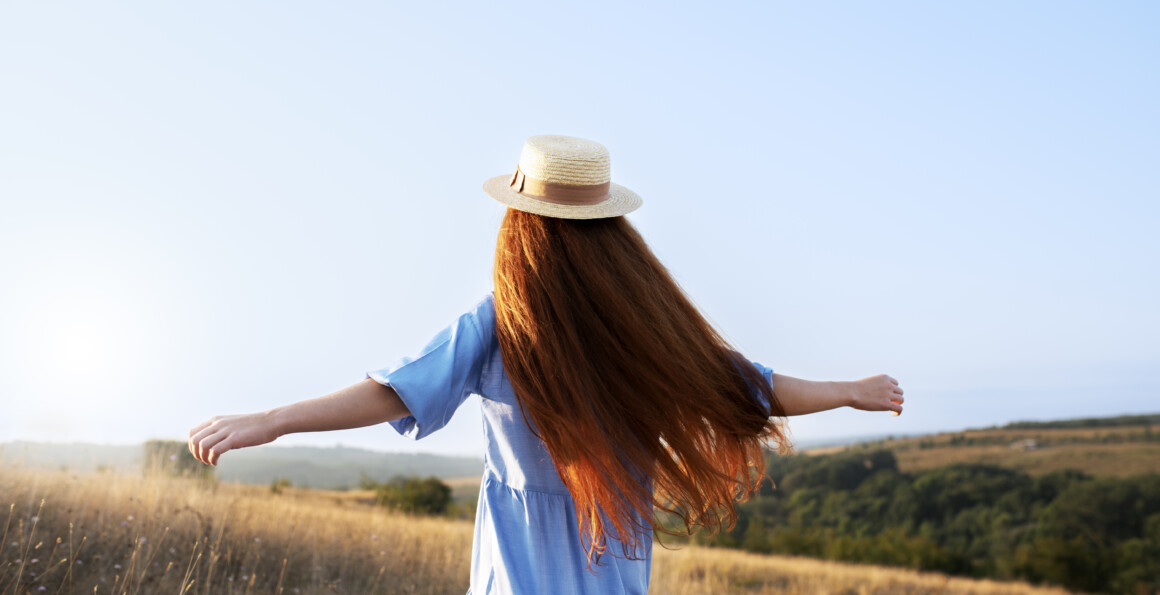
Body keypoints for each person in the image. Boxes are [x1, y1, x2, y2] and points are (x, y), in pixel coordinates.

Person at [188, 134, 905, 594]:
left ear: (522, 224)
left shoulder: (504, 323)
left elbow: (394, 391)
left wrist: (271, 419)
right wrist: (849, 390)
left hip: (518, 574)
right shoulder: (645, 326)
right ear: (611, 232)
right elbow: (753, 387)